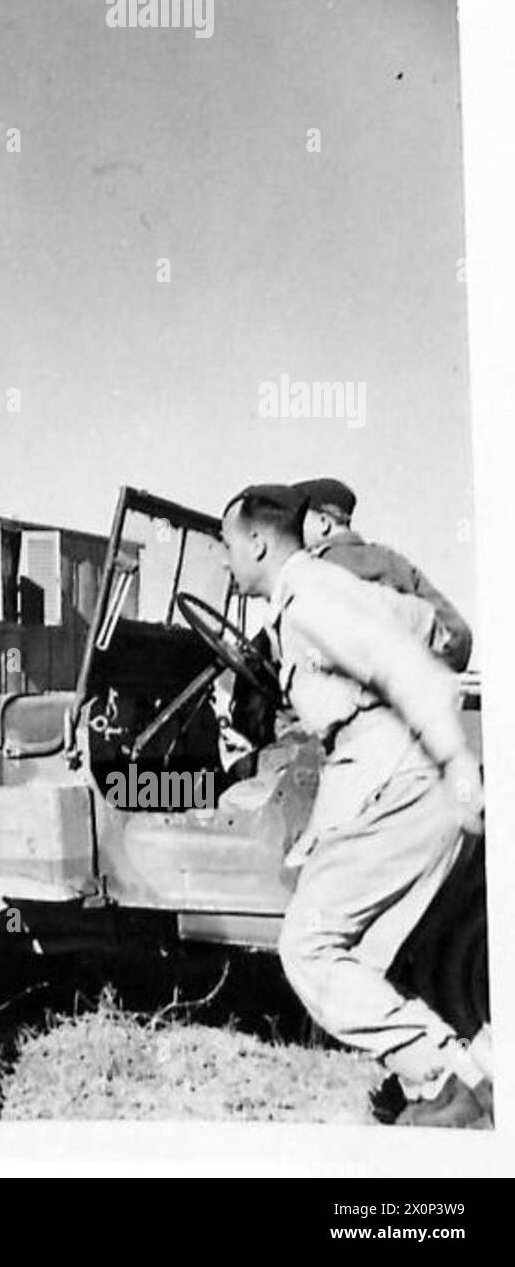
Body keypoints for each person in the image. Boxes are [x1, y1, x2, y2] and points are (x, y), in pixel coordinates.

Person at [219, 483, 491, 1128]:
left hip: (402, 777)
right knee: (360, 955)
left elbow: (407, 666)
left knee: (310, 948)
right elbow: (429, 628)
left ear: (258, 541)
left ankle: (443, 1076)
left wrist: (456, 763)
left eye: (228, 547)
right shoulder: (317, 590)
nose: (228, 562)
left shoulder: (310, 597)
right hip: (388, 772)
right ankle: (470, 1083)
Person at [293, 477, 472, 672]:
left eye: (298, 521)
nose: (292, 530)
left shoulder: (310, 570)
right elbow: (458, 635)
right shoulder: (393, 561)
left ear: (323, 522)